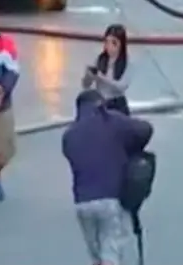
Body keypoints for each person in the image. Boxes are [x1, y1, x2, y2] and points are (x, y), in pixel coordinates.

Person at [62, 89, 154, 265]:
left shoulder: (69, 135)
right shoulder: (111, 120)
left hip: (82, 204)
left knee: (97, 256)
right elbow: (145, 129)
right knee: (111, 252)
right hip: (110, 199)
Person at [0, 9, 19, 202]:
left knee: (2, 152)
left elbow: (12, 72)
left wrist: (1, 92)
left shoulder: (6, 45)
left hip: (0, 109)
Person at [83, 24, 133, 115]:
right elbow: (86, 86)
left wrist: (101, 77)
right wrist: (88, 77)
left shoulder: (127, 62)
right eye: (107, 42)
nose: (109, 46)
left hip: (117, 104)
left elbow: (121, 87)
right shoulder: (100, 59)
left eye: (114, 43)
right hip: (101, 102)